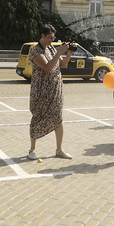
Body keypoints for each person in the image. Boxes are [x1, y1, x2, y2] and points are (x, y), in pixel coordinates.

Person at [27, 24, 75, 160]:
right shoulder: (36, 51)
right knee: (38, 117)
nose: (52, 40)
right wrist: (59, 52)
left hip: (55, 90)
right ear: (42, 36)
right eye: (50, 37)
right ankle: (32, 150)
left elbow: (62, 64)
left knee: (58, 118)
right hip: (41, 92)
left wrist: (69, 54)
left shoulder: (52, 48)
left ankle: (59, 150)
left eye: (53, 37)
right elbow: (47, 67)